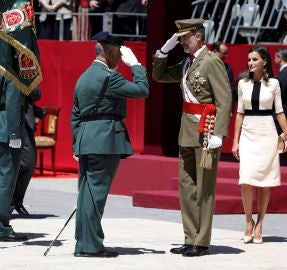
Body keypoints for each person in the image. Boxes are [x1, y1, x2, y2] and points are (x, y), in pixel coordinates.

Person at [152, 19, 232, 257]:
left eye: (185, 37)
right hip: (186, 132)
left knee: (204, 188)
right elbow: (159, 75)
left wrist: (219, 132)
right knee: (186, 187)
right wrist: (163, 51)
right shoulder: (187, 63)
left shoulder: (211, 61)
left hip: (206, 131)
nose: (182, 41)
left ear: (198, 36)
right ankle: (189, 237)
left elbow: (224, 99)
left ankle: (202, 240)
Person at [71, 31, 148, 257]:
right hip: (104, 141)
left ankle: (83, 242)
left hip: (87, 140)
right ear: (112, 53)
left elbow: (75, 115)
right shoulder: (109, 77)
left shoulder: (84, 77)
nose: (119, 59)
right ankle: (90, 246)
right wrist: (136, 66)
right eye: (118, 54)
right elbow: (142, 90)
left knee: (86, 194)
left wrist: (78, 142)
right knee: (96, 195)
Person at [231, 46, 287, 244]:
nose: (250, 63)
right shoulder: (242, 83)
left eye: (255, 59)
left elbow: (280, 112)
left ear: (264, 61)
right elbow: (239, 112)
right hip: (248, 132)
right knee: (245, 179)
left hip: (267, 133)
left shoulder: (274, 83)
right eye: (249, 59)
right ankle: (248, 220)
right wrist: (235, 140)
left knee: (265, 182)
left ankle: (260, 223)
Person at [0, 76, 28, 242]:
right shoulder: (11, 72)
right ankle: (2, 226)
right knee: (6, 179)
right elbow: (13, 103)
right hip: (5, 129)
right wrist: (15, 135)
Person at [10, 88, 42, 216]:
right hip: (5, 120)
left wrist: (25, 82)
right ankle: (6, 205)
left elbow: (37, 95)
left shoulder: (26, 68)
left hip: (24, 122)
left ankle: (16, 201)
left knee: (29, 163)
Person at [211, 41, 236, 110]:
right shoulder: (204, 65)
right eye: (224, 53)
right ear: (215, 51)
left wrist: (231, 109)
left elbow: (231, 90)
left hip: (221, 109)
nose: (226, 56)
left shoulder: (227, 68)